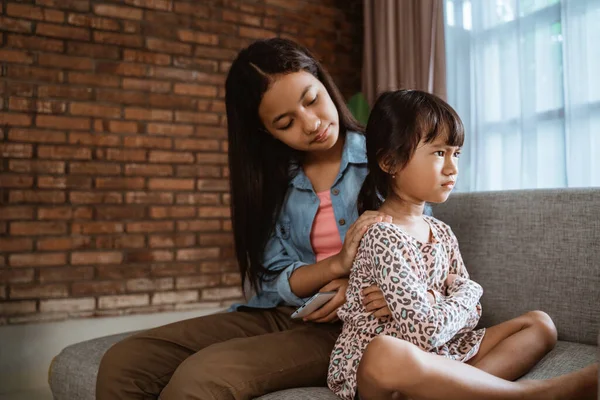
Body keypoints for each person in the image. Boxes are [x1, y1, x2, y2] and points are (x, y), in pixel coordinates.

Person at [96, 38, 394, 399]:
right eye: (286, 122)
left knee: (203, 378)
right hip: (286, 312)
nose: (311, 123)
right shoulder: (274, 182)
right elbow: (271, 277)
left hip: (355, 327)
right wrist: (336, 267)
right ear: (265, 131)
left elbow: (420, 251)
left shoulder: (386, 160)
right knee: (125, 362)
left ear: (322, 81)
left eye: (311, 99)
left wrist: (357, 286)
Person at [326, 89, 598, 400]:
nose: (452, 168)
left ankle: (456, 391)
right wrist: (464, 290)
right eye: (439, 153)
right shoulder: (382, 235)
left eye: (456, 153)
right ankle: (525, 395)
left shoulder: (441, 232)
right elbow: (424, 333)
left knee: (540, 324)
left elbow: (472, 316)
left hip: (443, 352)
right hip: (387, 370)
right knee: (386, 351)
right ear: (390, 162)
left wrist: (429, 300)